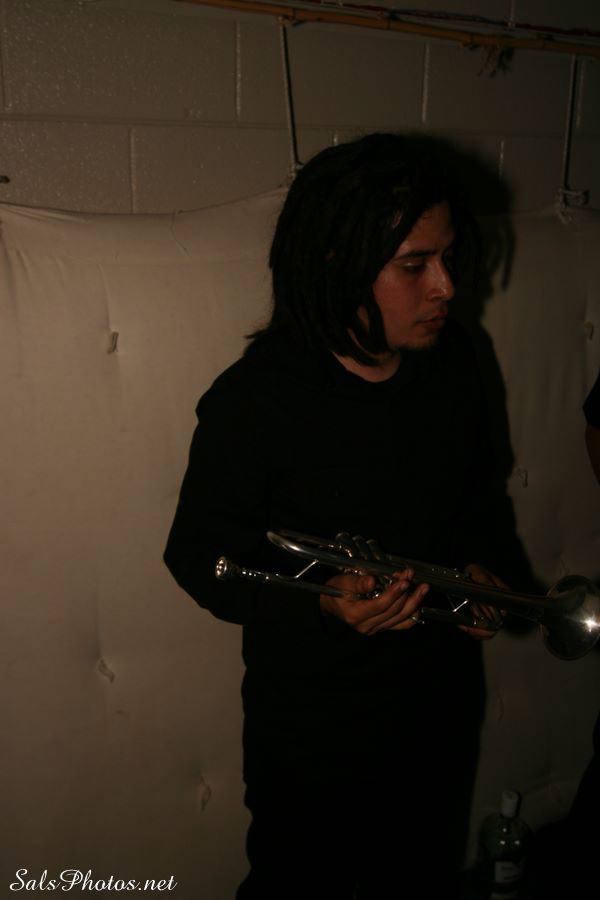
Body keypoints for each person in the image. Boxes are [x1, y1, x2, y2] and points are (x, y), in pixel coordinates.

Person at [164, 133, 510, 899]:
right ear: (337, 261)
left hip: (438, 705)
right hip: (317, 729)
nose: (447, 286)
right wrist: (321, 599)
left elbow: (479, 497)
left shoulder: (455, 363)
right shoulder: (257, 399)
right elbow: (199, 555)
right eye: (415, 265)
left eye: (449, 257)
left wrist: (485, 567)